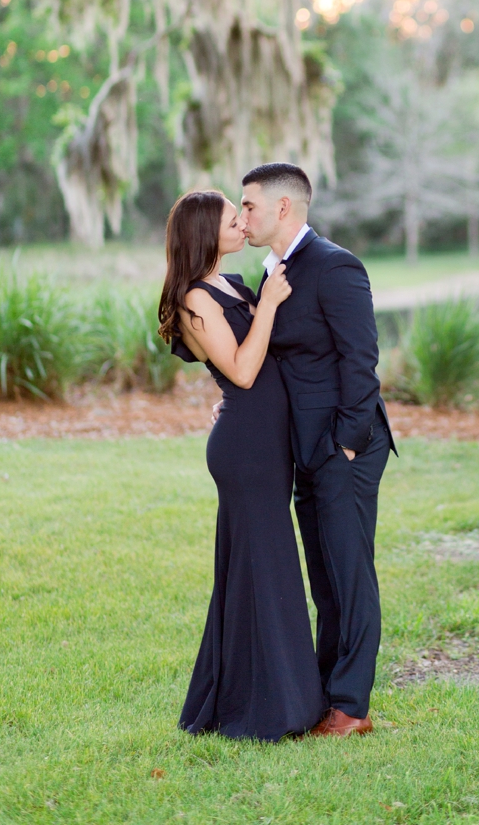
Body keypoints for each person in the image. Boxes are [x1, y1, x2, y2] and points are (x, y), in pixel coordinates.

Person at [238, 161, 398, 739]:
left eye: (249, 205)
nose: (241, 217)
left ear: (282, 207)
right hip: (304, 449)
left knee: (349, 576)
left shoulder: (335, 266)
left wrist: (347, 445)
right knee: (325, 578)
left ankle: (352, 708)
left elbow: (362, 360)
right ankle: (327, 697)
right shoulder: (272, 273)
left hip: (342, 447)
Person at [160, 189, 325, 741]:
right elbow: (244, 372)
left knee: (264, 568)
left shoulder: (231, 283)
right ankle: (268, 709)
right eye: (234, 218)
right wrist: (270, 303)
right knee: (264, 567)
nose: (243, 223)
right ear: (206, 232)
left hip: (264, 440)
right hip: (246, 450)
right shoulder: (195, 297)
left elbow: (256, 361)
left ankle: (278, 697)